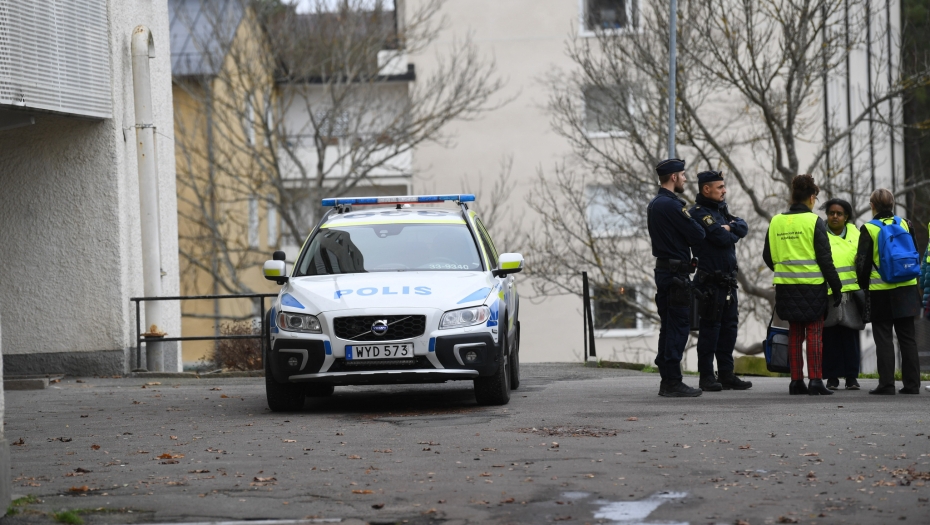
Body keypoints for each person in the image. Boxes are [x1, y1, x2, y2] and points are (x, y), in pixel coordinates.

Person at [762, 175, 842, 395]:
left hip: (785, 287)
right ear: (811, 198)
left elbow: (767, 255)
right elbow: (826, 260)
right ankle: (815, 380)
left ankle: (796, 381)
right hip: (812, 286)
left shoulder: (776, 221)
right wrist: (836, 288)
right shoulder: (814, 222)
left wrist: (784, 270)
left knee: (795, 334)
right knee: (814, 334)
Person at [647, 158, 706, 397]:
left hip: (665, 272)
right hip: (675, 276)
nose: (685, 179)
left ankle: (668, 378)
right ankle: (672, 381)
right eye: (682, 175)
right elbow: (698, 234)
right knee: (678, 327)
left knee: (669, 325)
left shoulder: (655, 203)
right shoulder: (671, 205)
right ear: (673, 177)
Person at [688, 171, 752, 391]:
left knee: (729, 329)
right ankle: (706, 376)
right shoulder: (698, 213)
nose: (724, 191)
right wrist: (731, 231)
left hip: (727, 283)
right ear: (706, 189)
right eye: (720, 187)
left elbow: (743, 226)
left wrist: (731, 227)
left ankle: (726, 374)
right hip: (710, 283)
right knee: (710, 330)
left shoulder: (720, 210)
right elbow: (722, 238)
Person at [855, 189, 922, 395]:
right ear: (892, 204)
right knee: (908, 338)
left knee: (884, 338)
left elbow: (863, 263)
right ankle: (912, 385)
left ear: (872, 206)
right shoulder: (906, 224)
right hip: (907, 287)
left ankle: (886, 384)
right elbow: (914, 252)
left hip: (880, 291)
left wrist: (863, 285)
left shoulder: (868, 228)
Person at [819, 198, 862, 390]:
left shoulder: (855, 232)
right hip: (828, 294)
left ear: (846, 217)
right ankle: (832, 378)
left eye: (839, 213)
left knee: (850, 336)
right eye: (831, 213)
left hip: (851, 294)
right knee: (830, 337)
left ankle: (852, 377)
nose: (835, 216)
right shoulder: (819, 233)